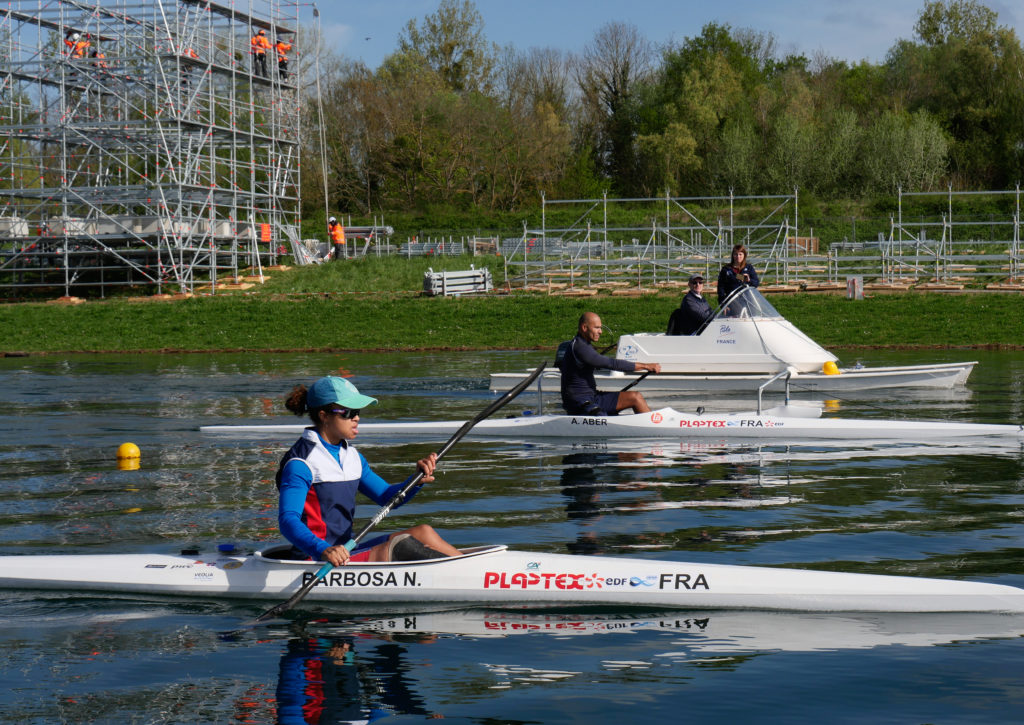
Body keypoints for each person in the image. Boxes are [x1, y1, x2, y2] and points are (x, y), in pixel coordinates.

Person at [276, 375, 461, 564]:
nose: (356, 417)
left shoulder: (352, 457)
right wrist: (323, 549)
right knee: (400, 547)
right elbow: (288, 521)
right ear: (324, 416)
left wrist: (415, 480)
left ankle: (470, 569)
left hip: (346, 551)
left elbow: (387, 497)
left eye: (357, 411)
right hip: (316, 558)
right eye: (347, 412)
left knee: (424, 533)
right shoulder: (301, 463)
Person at [556, 311, 661, 416]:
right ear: (584, 328)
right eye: (597, 328)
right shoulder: (580, 347)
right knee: (603, 416)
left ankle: (654, 427)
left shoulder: (584, 345)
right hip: (579, 403)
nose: (600, 331)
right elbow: (611, 364)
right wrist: (646, 366)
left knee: (635, 397)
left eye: (601, 328)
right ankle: (654, 429)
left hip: (593, 397)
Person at [716, 244, 760, 308]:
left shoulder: (749, 268)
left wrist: (748, 280)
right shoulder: (726, 269)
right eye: (735, 254)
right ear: (732, 255)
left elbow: (756, 283)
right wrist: (722, 304)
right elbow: (720, 288)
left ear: (744, 255)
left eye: (740, 254)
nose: (738, 257)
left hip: (748, 302)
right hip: (732, 302)